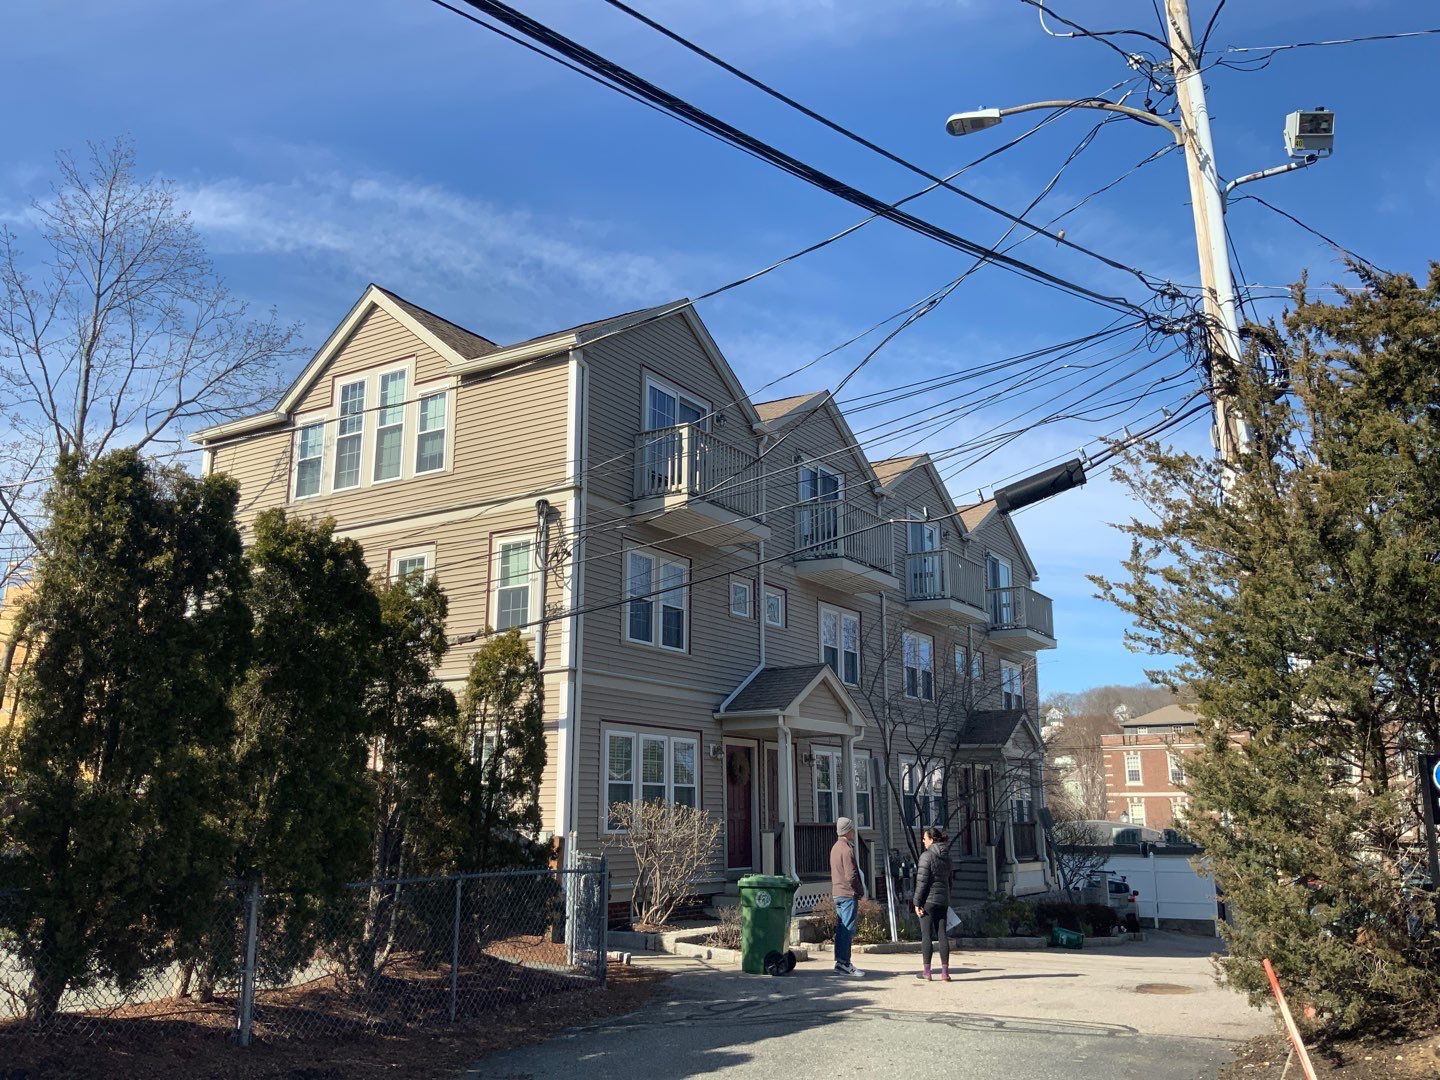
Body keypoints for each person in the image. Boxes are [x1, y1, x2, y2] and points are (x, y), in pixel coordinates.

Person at [912, 825, 952, 982]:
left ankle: (927, 972)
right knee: (942, 933)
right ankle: (945, 972)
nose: (923, 841)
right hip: (943, 900)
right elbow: (950, 880)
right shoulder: (947, 856)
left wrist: (917, 902)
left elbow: (922, 882)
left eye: (924, 838)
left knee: (926, 934)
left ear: (931, 839)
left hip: (928, 900)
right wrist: (948, 897)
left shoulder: (926, 856)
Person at [830, 816, 865, 977]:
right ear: (847, 830)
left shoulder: (835, 848)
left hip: (837, 892)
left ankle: (839, 961)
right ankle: (844, 962)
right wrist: (860, 891)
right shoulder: (847, 849)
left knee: (841, 928)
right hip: (847, 894)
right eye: (852, 829)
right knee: (847, 930)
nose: (854, 832)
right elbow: (851, 876)